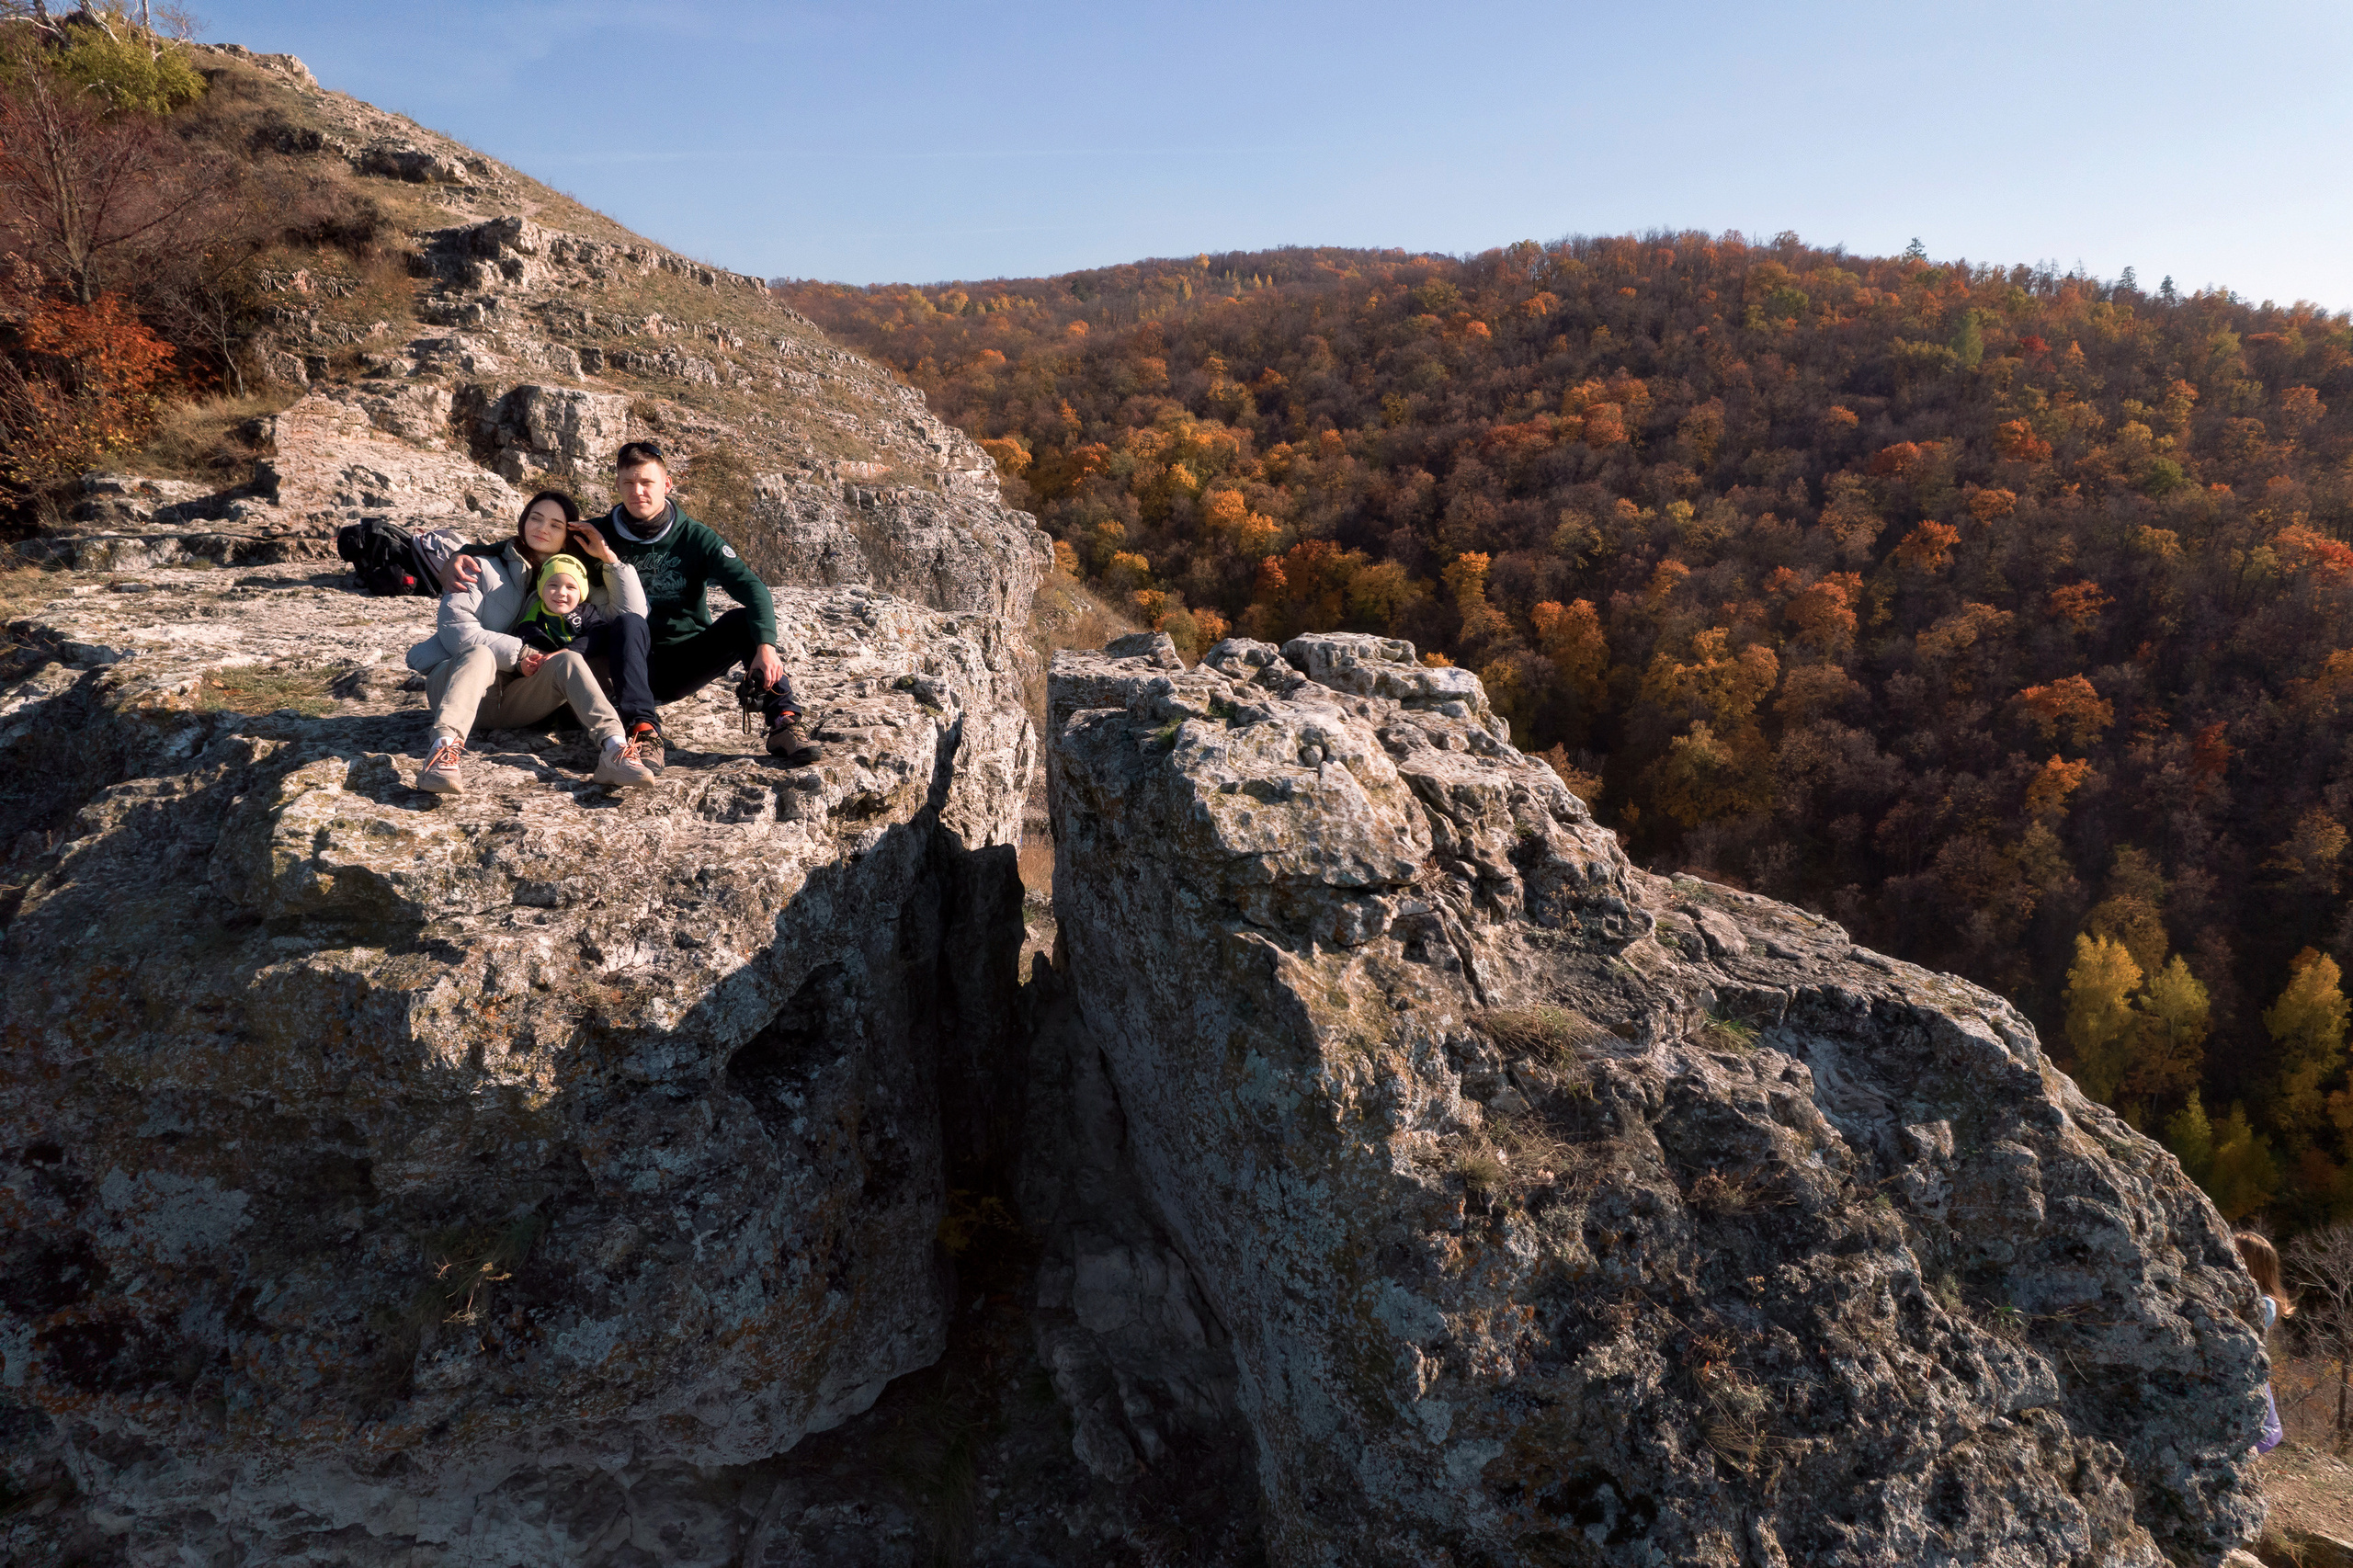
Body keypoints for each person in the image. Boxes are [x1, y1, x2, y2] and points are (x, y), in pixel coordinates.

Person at [447, 441, 820, 764]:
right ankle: (644, 730)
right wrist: (464, 554)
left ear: (667, 485)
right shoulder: (595, 534)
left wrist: (765, 646)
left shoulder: (696, 538)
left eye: (647, 482)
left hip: (680, 661)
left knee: (742, 623)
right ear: (618, 486)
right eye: (629, 483)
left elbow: (752, 588)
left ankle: (783, 720)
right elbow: (533, 541)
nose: (638, 491)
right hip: (618, 662)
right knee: (628, 621)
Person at [405, 490, 661, 793]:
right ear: (523, 521)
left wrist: (610, 559)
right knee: (480, 654)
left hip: (518, 701)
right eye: (535, 518)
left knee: (568, 659)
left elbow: (630, 616)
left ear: (568, 535)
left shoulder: (568, 583)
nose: (542, 528)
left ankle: (614, 750)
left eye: (555, 525)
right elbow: (456, 630)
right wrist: (521, 653)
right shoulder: (480, 566)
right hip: (458, 685)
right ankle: (442, 754)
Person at [2235, 1231, 2290, 1455]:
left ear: (2250, 1263)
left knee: (2262, 1431)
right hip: (2238, 1372)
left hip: (2248, 1373)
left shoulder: (2266, 1304)